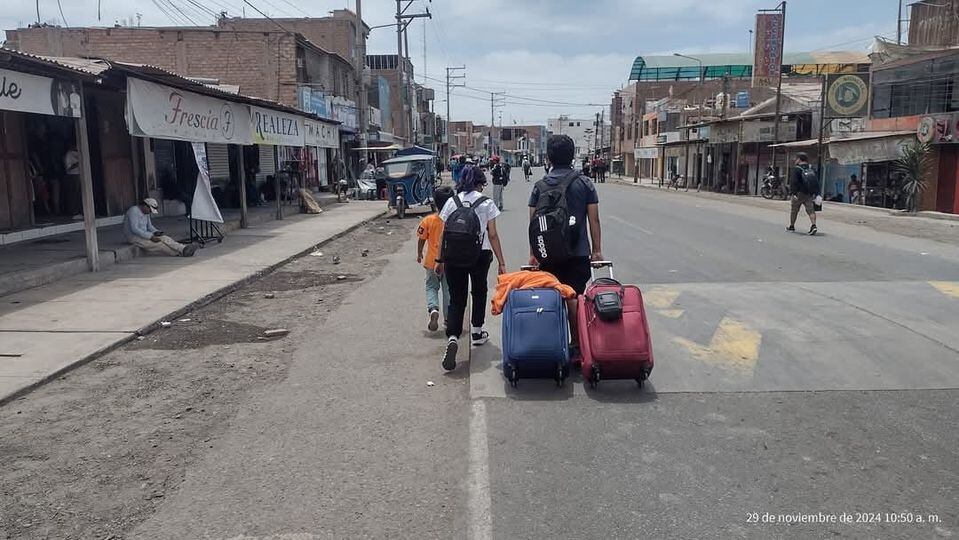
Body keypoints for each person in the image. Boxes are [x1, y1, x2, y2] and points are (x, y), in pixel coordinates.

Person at [528, 135, 602, 355]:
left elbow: (533, 223)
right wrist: (596, 251)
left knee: (551, 297)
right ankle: (578, 346)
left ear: (549, 157)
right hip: (578, 253)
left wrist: (533, 254)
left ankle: (551, 344)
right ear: (572, 156)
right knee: (575, 297)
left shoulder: (540, 186)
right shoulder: (585, 183)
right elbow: (594, 220)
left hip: (547, 254)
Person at [435, 165, 507, 371]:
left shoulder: (451, 201)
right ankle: (477, 331)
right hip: (480, 255)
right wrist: (502, 262)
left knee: (457, 298)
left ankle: (453, 336)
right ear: (480, 182)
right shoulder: (487, 203)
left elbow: (443, 234)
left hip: (453, 256)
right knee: (478, 290)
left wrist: (439, 260)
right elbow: (492, 234)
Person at [417, 186, 454, 332]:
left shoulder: (428, 220)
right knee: (448, 290)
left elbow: (421, 239)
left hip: (432, 262)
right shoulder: (452, 220)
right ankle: (448, 318)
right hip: (449, 261)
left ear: (436, 203)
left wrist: (419, 253)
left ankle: (433, 309)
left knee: (431, 287)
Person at [123, 198, 198, 257]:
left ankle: (183, 248)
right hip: (134, 237)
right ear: (145, 206)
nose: (150, 212)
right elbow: (134, 229)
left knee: (165, 238)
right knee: (160, 244)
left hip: (145, 234)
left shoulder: (146, 213)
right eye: (150, 210)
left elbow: (150, 227)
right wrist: (150, 237)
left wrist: (156, 232)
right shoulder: (133, 211)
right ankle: (179, 253)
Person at [787, 152, 819, 236]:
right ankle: (813, 225)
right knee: (811, 210)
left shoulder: (796, 169)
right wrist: (816, 193)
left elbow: (794, 182)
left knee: (794, 210)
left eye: (796, 159)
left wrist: (793, 193)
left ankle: (792, 226)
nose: (795, 160)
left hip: (799, 193)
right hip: (809, 193)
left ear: (799, 159)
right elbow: (815, 181)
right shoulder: (811, 168)